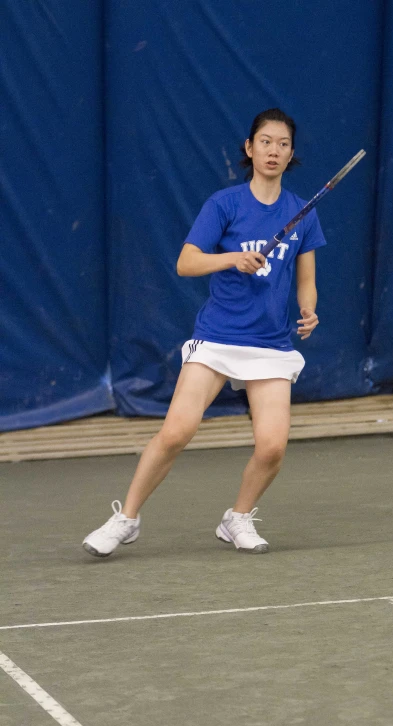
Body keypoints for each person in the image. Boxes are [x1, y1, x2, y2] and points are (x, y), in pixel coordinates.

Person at [82, 108, 326, 558]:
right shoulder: (225, 205)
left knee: (272, 446)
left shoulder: (301, 213)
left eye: (284, 144)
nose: (274, 150)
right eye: (266, 142)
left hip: (270, 343)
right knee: (176, 431)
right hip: (218, 336)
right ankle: (126, 519)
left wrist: (309, 310)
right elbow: (186, 262)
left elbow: (305, 278)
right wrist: (231, 258)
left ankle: (237, 518)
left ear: (292, 155)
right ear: (250, 149)